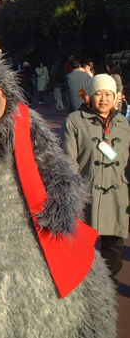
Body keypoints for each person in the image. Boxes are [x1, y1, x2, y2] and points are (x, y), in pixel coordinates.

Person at [60, 74, 130, 287]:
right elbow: (68, 160)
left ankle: (110, 291)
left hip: (117, 196)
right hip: (86, 195)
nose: (104, 99)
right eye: (98, 94)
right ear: (89, 95)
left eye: (108, 94)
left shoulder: (124, 123)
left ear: (115, 97)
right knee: (82, 249)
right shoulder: (74, 121)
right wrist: (73, 194)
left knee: (114, 251)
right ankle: (84, 292)